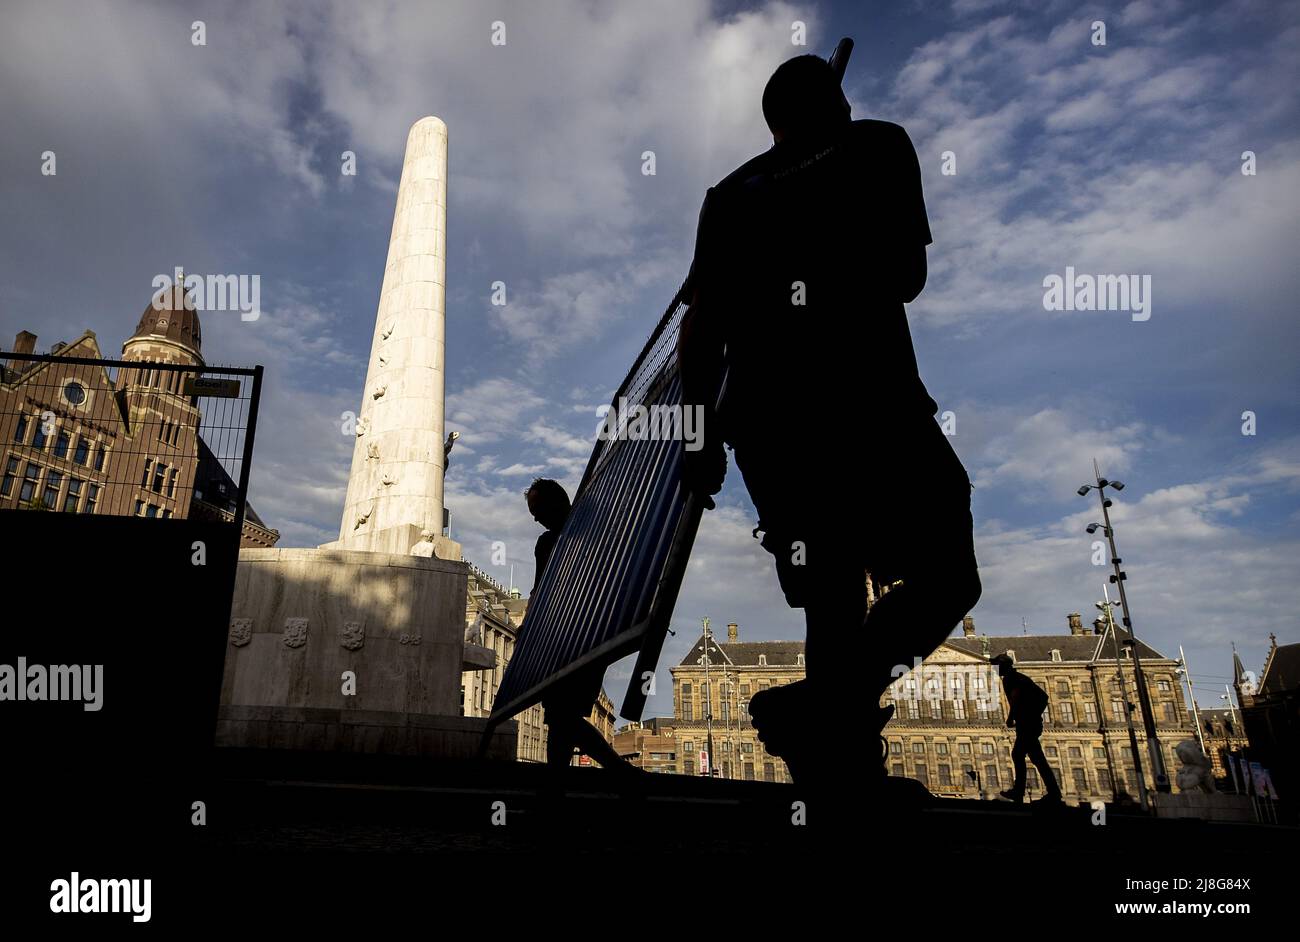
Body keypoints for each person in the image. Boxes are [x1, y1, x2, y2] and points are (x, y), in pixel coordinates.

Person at [678, 53, 981, 789]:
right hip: (873, 403)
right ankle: (833, 718)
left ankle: (832, 743)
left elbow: (700, 332)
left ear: (774, 123)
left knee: (831, 588)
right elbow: (906, 275)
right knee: (948, 576)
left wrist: (700, 437)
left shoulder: (729, 196)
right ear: (836, 104)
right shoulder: (878, 145)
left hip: (771, 429)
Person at [524, 478, 631, 772]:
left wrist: (528, 628)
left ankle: (617, 770)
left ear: (556, 502)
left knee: (561, 715)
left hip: (575, 640)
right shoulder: (596, 535)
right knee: (561, 715)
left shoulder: (550, 543)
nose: (534, 518)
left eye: (538, 509)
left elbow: (538, 592)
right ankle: (565, 778)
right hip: (589, 635)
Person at [991, 653, 1061, 804]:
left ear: (1003, 665)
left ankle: (1021, 792)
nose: (994, 669)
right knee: (1035, 758)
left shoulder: (1011, 678)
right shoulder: (1021, 677)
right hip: (1029, 723)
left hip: (1027, 724)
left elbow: (1016, 698)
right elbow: (1044, 697)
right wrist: (1034, 715)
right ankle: (1051, 793)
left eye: (996, 665)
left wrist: (1013, 718)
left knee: (1019, 755)